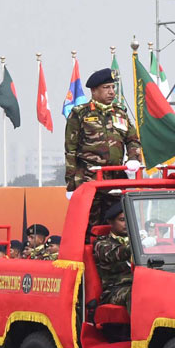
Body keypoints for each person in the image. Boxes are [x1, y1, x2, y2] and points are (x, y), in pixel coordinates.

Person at [65, 68, 142, 225]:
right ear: (94, 91)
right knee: (89, 225)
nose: (111, 92)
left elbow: (133, 139)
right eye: (106, 88)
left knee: (118, 222)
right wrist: (71, 185)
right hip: (88, 179)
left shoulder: (120, 113)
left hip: (115, 178)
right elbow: (70, 150)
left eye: (113, 87)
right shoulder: (80, 114)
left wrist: (133, 158)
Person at [93, 203, 133, 313]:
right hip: (114, 290)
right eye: (122, 220)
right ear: (110, 222)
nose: (126, 223)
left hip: (140, 283)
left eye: (129, 219)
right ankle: (140, 330)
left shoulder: (136, 240)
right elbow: (115, 253)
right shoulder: (102, 243)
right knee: (136, 294)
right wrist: (138, 246)